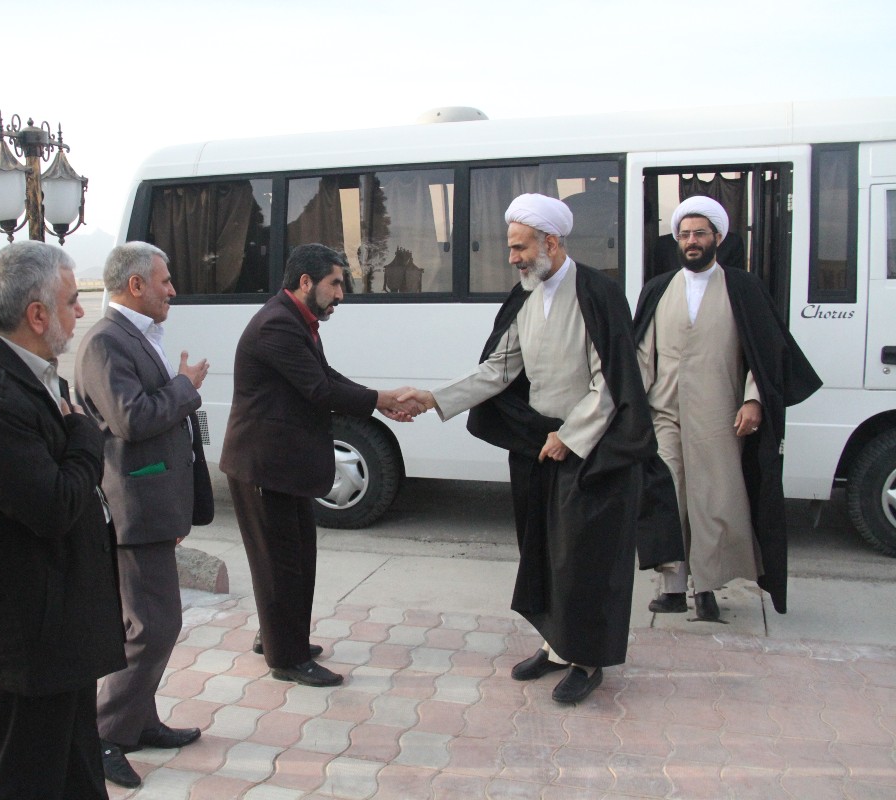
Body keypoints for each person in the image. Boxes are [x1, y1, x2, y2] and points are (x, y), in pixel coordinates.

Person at [399, 194, 667, 704]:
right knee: (542, 553)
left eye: (520, 248)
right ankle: (555, 645)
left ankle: (587, 660)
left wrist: (570, 437)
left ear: (551, 243)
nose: (513, 258)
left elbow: (611, 382)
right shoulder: (525, 296)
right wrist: (435, 398)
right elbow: (499, 369)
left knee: (583, 560)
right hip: (539, 447)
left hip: (591, 450)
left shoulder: (597, 293)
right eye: (511, 248)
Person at [0, 241, 126, 800]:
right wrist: (87, 439)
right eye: (72, 301)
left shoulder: (39, 375)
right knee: (31, 774)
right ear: (37, 314)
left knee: (77, 767)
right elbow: (56, 505)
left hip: (63, 620)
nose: (81, 311)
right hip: (35, 633)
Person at [220, 243, 419, 688]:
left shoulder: (297, 319)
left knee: (294, 560)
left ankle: (278, 636)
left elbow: (326, 376)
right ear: (305, 281)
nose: (341, 295)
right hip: (263, 466)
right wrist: (379, 400)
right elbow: (320, 390)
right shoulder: (277, 324)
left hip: (284, 465)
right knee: (280, 565)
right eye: (335, 284)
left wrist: (379, 400)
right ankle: (286, 659)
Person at [635, 196, 821, 621]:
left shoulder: (743, 288)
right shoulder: (658, 289)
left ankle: (706, 589)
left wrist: (754, 399)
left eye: (700, 233)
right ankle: (673, 588)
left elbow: (763, 354)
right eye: (684, 234)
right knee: (668, 499)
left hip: (720, 416)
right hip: (663, 414)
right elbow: (643, 354)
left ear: (717, 237)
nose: (692, 241)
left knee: (713, 503)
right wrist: (632, 407)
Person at [74, 242, 209, 789]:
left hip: (155, 503)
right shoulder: (105, 342)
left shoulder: (135, 336)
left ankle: (139, 719)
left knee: (153, 622)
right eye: (164, 281)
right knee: (152, 626)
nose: (172, 290)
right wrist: (185, 387)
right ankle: (106, 733)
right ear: (135, 285)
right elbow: (131, 419)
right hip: (134, 506)